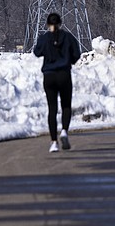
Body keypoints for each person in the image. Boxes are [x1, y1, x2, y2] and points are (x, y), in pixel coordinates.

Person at [33, 12, 82, 153]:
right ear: (60, 23)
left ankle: (53, 142)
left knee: (52, 109)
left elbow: (37, 52)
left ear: (48, 24)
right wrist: (69, 61)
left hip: (49, 76)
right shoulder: (67, 37)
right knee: (66, 106)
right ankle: (64, 131)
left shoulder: (44, 38)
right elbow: (76, 54)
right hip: (64, 74)